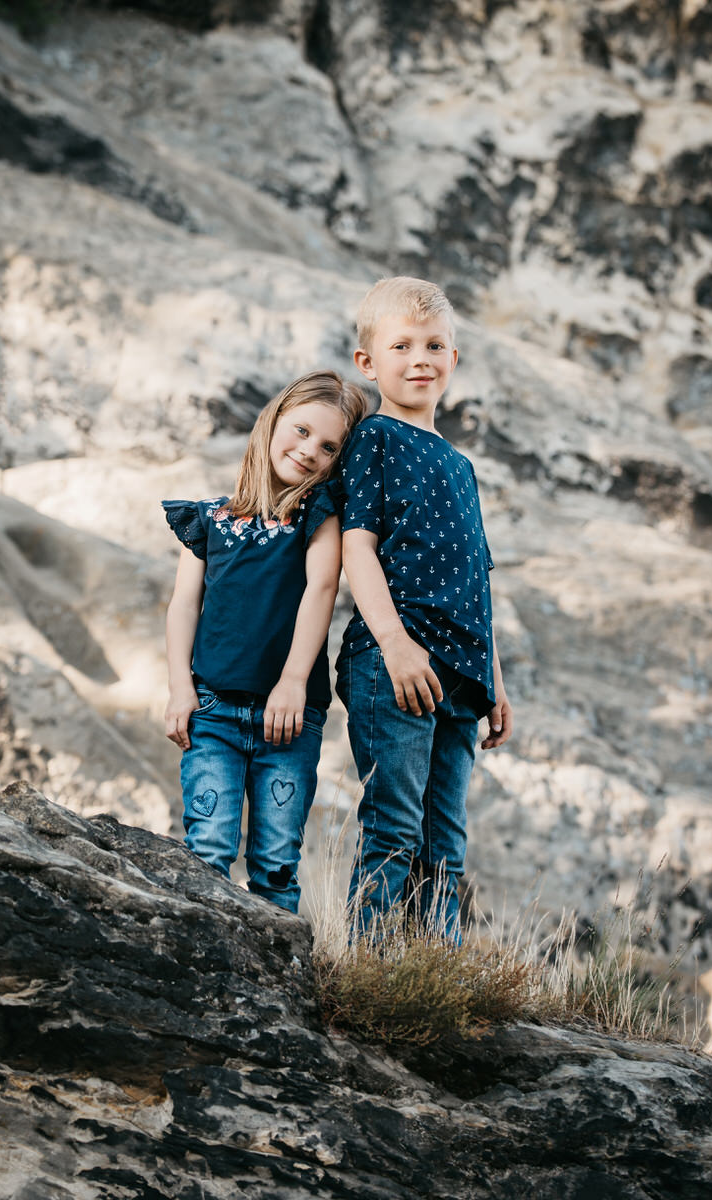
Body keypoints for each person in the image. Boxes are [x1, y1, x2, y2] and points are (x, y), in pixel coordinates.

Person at [335, 276, 513, 941]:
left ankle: (434, 970)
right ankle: (363, 970)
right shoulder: (374, 440)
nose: (419, 359)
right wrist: (393, 641)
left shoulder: (460, 465)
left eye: (434, 345)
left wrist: (493, 677)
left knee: (446, 839)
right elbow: (358, 547)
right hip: (394, 662)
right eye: (401, 345)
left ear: (452, 360)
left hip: (463, 675)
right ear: (367, 363)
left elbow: (478, 579)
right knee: (394, 826)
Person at [162, 370, 367, 913]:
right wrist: (180, 690)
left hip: (290, 720)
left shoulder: (318, 518)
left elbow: (322, 588)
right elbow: (184, 606)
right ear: (272, 421)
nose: (308, 452)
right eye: (300, 431)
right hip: (213, 713)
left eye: (328, 447)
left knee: (276, 864)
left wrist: (293, 681)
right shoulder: (207, 519)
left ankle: (279, 984)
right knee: (208, 850)